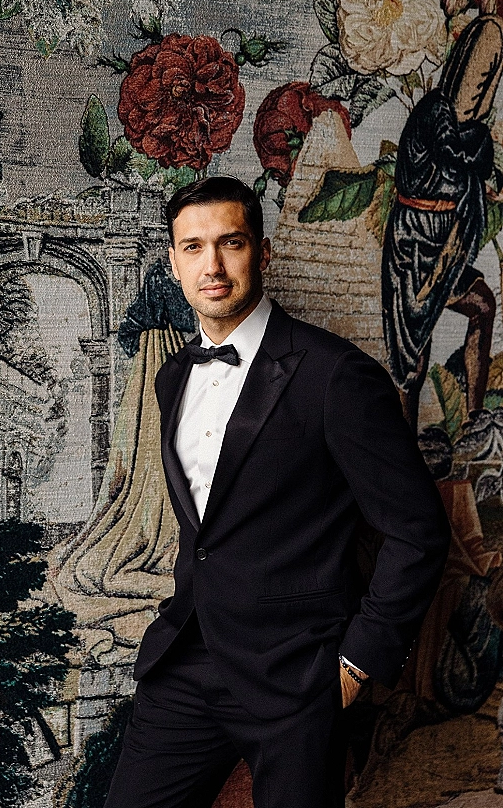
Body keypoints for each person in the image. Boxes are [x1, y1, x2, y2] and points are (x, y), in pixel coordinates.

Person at [103, 176, 451, 808]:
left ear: (262, 252)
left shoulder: (336, 376)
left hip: (297, 675)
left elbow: (418, 530)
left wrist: (357, 663)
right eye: (193, 247)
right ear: (175, 262)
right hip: (185, 661)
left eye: (230, 243)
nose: (212, 266)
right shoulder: (171, 376)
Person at [382, 15, 503, 431]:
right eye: (477, 75)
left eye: (489, 78)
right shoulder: (435, 111)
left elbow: (476, 163)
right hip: (415, 243)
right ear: (461, 68)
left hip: (444, 242)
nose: (480, 87)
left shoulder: (469, 127)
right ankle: (406, 442)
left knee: (483, 306)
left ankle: (474, 419)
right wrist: (480, 169)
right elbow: (457, 161)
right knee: (414, 352)